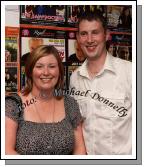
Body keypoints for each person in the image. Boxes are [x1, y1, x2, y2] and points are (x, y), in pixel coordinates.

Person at [69, 11, 132, 155]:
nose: (89, 39)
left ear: (106, 34)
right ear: (78, 38)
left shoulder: (130, 72)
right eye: (84, 34)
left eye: (95, 32)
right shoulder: (75, 78)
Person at [5, 45, 86, 155]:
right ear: (30, 71)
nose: (46, 72)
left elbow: (80, 149)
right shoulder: (13, 104)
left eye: (52, 66)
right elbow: (6, 151)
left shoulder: (70, 103)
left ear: (59, 71)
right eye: (39, 66)